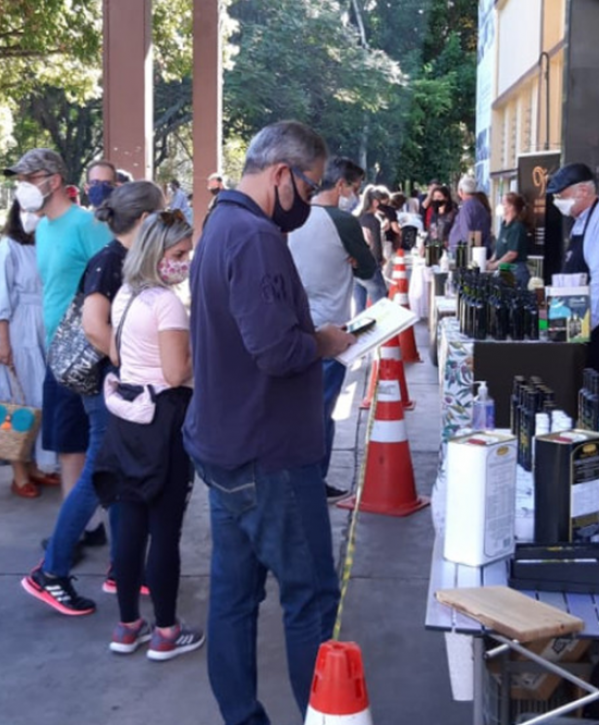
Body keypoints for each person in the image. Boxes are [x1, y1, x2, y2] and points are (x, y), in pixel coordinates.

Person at [183, 121, 355, 724]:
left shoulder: (219, 225)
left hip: (226, 445)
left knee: (233, 597)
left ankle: (241, 716)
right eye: (309, 187)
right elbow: (278, 351)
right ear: (282, 174)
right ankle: (323, 715)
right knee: (311, 598)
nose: (310, 201)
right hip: (269, 453)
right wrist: (325, 341)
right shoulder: (255, 237)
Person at [22, 181, 164, 616]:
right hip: (107, 385)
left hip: (115, 384)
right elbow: (93, 326)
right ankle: (51, 572)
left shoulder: (127, 259)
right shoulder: (110, 260)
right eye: (162, 215)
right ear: (145, 219)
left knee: (116, 476)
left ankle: (123, 567)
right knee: (97, 477)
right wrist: (130, 363)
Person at [95, 209, 203, 660]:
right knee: (164, 530)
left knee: (130, 527)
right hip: (164, 420)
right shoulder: (166, 303)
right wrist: (204, 355)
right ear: (158, 252)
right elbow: (177, 373)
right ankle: (165, 630)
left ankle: (127, 626)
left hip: (126, 418)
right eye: (179, 253)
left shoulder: (125, 295)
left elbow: (117, 355)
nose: (184, 262)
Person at [5, 148, 111, 520]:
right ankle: (78, 526)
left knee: (93, 446)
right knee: (68, 445)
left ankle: (80, 527)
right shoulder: (44, 229)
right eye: (20, 179)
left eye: (29, 178)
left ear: (53, 181)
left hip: (87, 353)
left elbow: (116, 278)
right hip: (57, 354)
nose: (23, 186)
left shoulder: (86, 225)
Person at [289, 157, 377, 502]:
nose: (355, 195)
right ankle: (314, 483)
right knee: (322, 411)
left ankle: (295, 479)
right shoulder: (342, 222)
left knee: (296, 409)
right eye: (354, 188)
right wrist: (356, 257)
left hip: (292, 327)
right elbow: (367, 268)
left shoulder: (291, 216)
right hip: (331, 330)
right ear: (341, 185)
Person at [0, 201, 59, 497]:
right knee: (17, 400)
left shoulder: (47, 243)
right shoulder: (9, 247)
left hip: (44, 329)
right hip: (19, 331)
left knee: (40, 400)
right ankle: (19, 473)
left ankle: (35, 466)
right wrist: (4, 343)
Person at [547, 163, 599, 396]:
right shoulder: (581, 222)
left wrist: (578, 332)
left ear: (583, 191)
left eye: (561, 195)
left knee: (597, 396)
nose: (558, 201)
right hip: (577, 322)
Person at [352, 185, 390, 313]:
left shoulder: (356, 217)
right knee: (381, 307)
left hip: (356, 269)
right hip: (371, 268)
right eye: (385, 204)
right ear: (375, 203)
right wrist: (380, 260)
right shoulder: (374, 221)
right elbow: (376, 246)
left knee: (359, 308)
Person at [488, 192, 532, 287]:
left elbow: (512, 254)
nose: (501, 206)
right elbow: (499, 247)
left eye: (503, 203)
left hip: (515, 271)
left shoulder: (517, 227)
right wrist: (491, 261)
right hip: (505, 270)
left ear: (511, 207)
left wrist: (495, 265)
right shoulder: (504, 225)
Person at [449, 176, 493, 251]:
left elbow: (466, 232)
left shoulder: (466, 207)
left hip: (464, 252)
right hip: (479, 249)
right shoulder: (480, 205)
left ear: (461, 191)